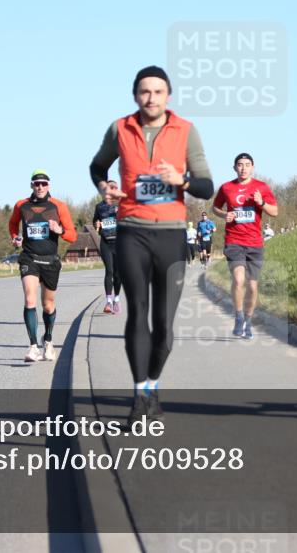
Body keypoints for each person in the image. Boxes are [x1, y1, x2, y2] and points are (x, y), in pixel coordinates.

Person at [89, 65, 213, 429]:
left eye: (158, 92)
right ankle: (140, 393)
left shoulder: (186, 131)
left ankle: (154, 384)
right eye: (145, 92)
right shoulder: (120, 129)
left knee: (164, 322)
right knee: (137, 310)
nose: (151, 98)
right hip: (131, 232)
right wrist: (104, 187)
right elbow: (97, 165)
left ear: (168, 96)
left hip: (172, 235)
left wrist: (182, 180)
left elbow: (207, 187)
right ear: (135, 95)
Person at [8, 169, 78, 362]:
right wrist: (15, 238)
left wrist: (60, 229)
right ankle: (33, 347)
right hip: (29, 258)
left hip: (50, 260)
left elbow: (73, 236)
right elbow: (13, 225)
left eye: (43, 184)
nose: (40, 187)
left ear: (49, 186)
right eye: (36, 183)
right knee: (30, 299)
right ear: (31, 185)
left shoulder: (59, 206)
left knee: (48, 305)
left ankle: (48, 340)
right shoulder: (21, 205)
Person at [212, 153, 278, 339]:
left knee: (252, 286)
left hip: (255, 243)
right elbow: (215, 207)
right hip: (234, 240)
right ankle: (239, 316)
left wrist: (261, 203)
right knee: (239, 280)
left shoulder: (261, 187)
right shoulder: (226, 187)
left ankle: (248, 321)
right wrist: (224, 215)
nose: (243, 168)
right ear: (234, 167)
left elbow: (275, 211)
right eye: (240, 165)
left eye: (247, 165)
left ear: (253, 167)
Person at [93, 180, 122, 314]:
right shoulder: (99, 206)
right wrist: (96, 224)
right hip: (105, 242)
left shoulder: (122, 204)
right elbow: (95, 221)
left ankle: (116, 298)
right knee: (109, 271)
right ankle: (108, 302)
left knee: (117, 274)